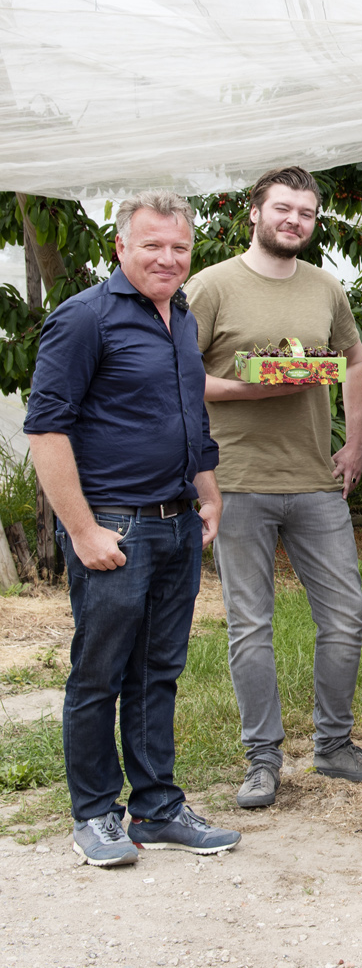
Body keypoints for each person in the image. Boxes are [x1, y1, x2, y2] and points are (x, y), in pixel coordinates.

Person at [26, 190, 239, 865]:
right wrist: (85, 531)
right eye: (152, 245)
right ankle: (94, 812)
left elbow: (189, 414)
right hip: (115, 527)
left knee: (158, 673)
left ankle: (156, 807)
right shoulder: (84, 318)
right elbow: (46, 430)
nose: (167, 258)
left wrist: (207, 490)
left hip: (176, 526)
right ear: (121, 247)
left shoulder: (181, 315)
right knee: (100, 675)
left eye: (179, 247)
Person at [186, 166, 362, 809]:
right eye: (282, 208)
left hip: (313, 479)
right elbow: (178, 375)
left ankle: (332, 744)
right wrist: (258, 386)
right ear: (255, 212)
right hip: (238, 479)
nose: (293, 220)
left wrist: (354, 440)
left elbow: (354, 361)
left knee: (345, 616)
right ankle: (263, 758)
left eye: (305, 212)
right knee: (250, 624)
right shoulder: (211, 286)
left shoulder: (326, 288)